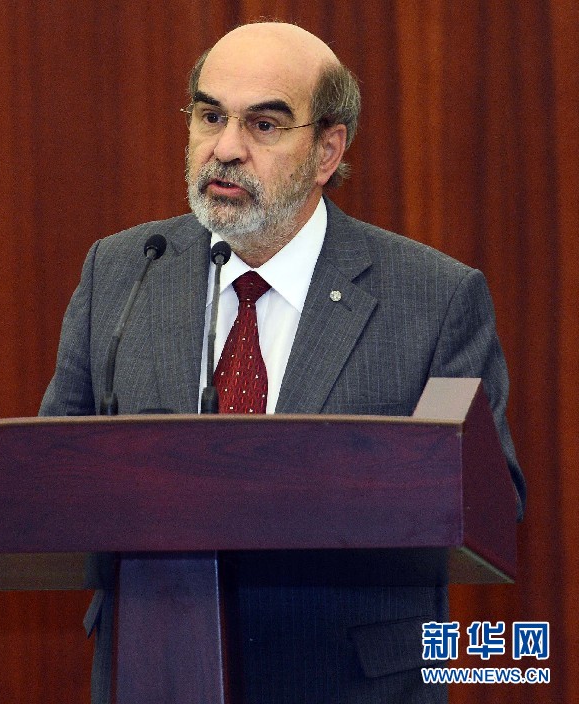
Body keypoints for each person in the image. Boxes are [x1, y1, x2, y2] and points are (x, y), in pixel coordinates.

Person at [40, 21, 525, 704]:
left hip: (351, 682)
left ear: (328, 149)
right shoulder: (125, 272)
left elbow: (493, 503)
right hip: (158, 668)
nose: (225, 149)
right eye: (210, 116)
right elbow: (48, 478)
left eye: (263, 125)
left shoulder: (434, 297)